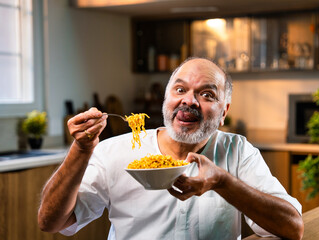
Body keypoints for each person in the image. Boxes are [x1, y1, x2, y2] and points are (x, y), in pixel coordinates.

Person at [38, 57, 304, 240]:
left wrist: (223, 182)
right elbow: (51, 222)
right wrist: (81, 151)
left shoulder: (237, 151)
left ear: (224, 112)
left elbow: (292, 227)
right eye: (180, 89)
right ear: (166, 100)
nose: (189, 100)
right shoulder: (114, 152)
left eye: (207, 94)